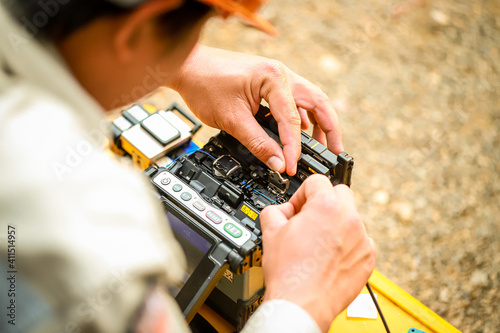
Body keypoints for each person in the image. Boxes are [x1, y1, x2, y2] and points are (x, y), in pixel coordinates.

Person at [0, 0, 376, 332]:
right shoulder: (96, 235)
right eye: (198, 32)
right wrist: (301, 307)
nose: (192, 48)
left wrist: (176, 63)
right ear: (135, 30)